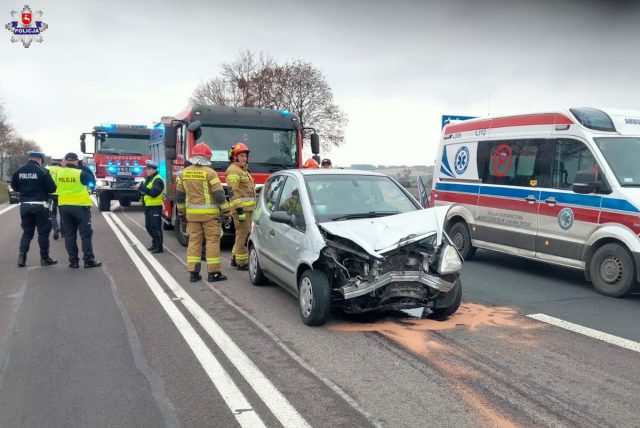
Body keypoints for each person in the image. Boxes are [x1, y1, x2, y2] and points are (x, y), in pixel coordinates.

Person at [176, 142, 231, 282]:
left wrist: (182, 214)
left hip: (192, 216)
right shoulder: (210, 173)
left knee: (194, 242)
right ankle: (214, 274)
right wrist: (226, 212)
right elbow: (219, 196)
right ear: (207, 157)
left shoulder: (184, 173)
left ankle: (193, 273)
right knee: (212, 242)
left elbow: (180, 197)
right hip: (210, 217)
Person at [11, 151, 57, 267]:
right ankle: (44, 258)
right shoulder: (43, 171)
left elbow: (14, 186)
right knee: (43, 232)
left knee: (27, 232)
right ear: (40, 160)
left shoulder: (18, 171)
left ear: (30, 158)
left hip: (25, 205)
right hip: (40, 205)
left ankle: (22, 258)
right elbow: (52, 188)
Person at [56, 152, 101, 269]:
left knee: (69, 235)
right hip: (80, 207)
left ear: (65, 161)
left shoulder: (58, 173)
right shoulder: (81, 173)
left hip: (64, 207)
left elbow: (53, 187)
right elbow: (92, 184)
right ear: (76, 161)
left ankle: (73, 261)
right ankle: (88, 260)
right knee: (85, 234)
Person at [226, 143, 256, 270]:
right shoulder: (234, 170)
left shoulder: (243, 170)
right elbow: (233, 192)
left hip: (247, 209)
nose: (244, 158)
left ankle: (234, 258)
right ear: (235, 157)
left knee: (241, 234)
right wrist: (239, 210)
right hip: (241, 210)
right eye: (241, 156)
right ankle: (241, 262)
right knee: (243, 235)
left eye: (245, 155)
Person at [138, 160, 165, 253]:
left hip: (155, 207)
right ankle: (155, 243)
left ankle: (159, 246)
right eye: (147, 169)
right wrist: (141, 189)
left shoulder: (158, 180)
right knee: (148, 226)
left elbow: (154, 193)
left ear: (154, 170)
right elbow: (145, 191)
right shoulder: (149, 179)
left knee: (156, 227)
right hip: (148, 207)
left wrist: (142, 188)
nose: (147, 171)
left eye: (149, 169)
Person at [45, 156, 64, 240]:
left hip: (50, 195)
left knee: (52, 214)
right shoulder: (62, 170)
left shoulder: (46, 169)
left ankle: (55, 227)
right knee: (63, 214)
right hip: (61, 195)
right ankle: (63, 232)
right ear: (60, 162)